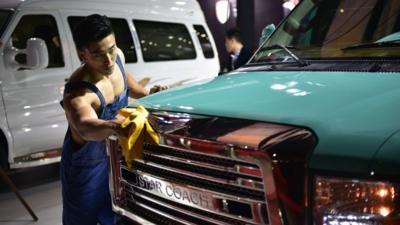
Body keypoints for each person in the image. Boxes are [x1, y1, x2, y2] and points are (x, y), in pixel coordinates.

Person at [60, 14, 167, 225]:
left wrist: (149, 95)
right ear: (82, 54)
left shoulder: (115, 56)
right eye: (98, 54)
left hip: (117, 158)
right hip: (86, 167)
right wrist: (113, 126)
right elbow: (84, 127)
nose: (108, 60)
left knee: (122, 214)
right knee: (83, 219)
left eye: (111, 49)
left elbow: (124, 80)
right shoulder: (78, 93)